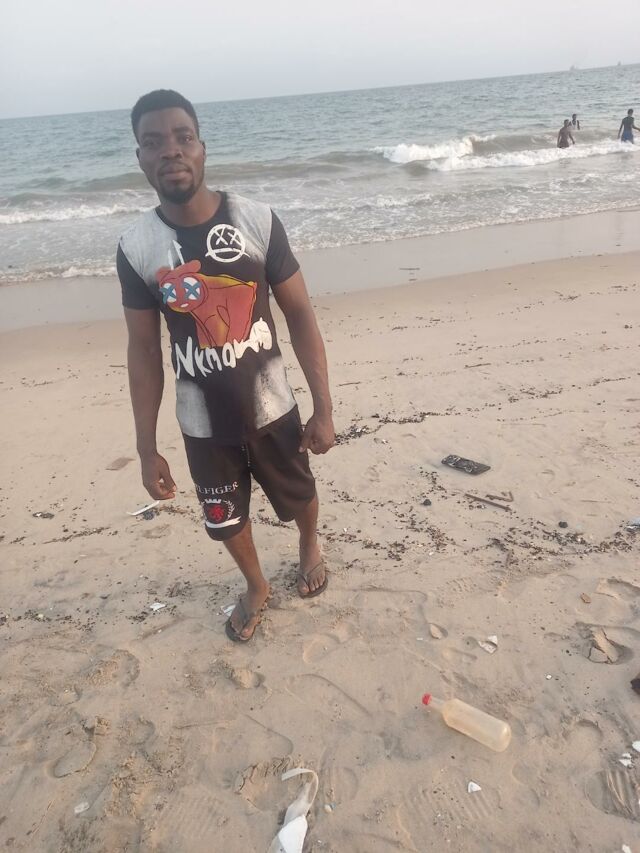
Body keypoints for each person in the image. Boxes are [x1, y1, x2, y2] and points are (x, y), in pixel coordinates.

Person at [117, 90, 335, 643]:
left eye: (182, 137)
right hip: (202, 422)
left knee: (299, 493)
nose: (171, 151)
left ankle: (309, 544)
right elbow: (143, 351)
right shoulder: (137, 247)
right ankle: (256, 585)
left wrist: (323, 408)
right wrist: (147, 447)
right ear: (140, 158)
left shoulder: (256, 220)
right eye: (153, 142)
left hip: (272, 404)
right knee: (224, 518)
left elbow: (300, 313)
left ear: (202, 148)